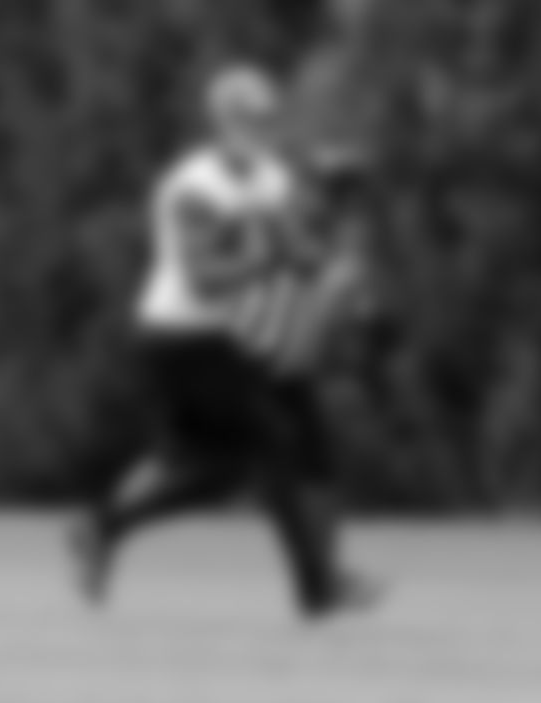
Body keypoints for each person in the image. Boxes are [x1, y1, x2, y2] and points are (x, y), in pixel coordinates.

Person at [69, 63, 380, 620]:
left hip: (213, 337)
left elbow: (296, 250)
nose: (261, 129)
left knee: (217, 470)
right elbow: (202, 279)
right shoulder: (194, 186)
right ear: (222, 122)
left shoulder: (270, 176)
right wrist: (268, 258)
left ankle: (103, 528)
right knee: (270, 444)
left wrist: (334, 251)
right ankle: (316, 589)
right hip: (176, 335)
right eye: (249, 118)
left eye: (266, 118)